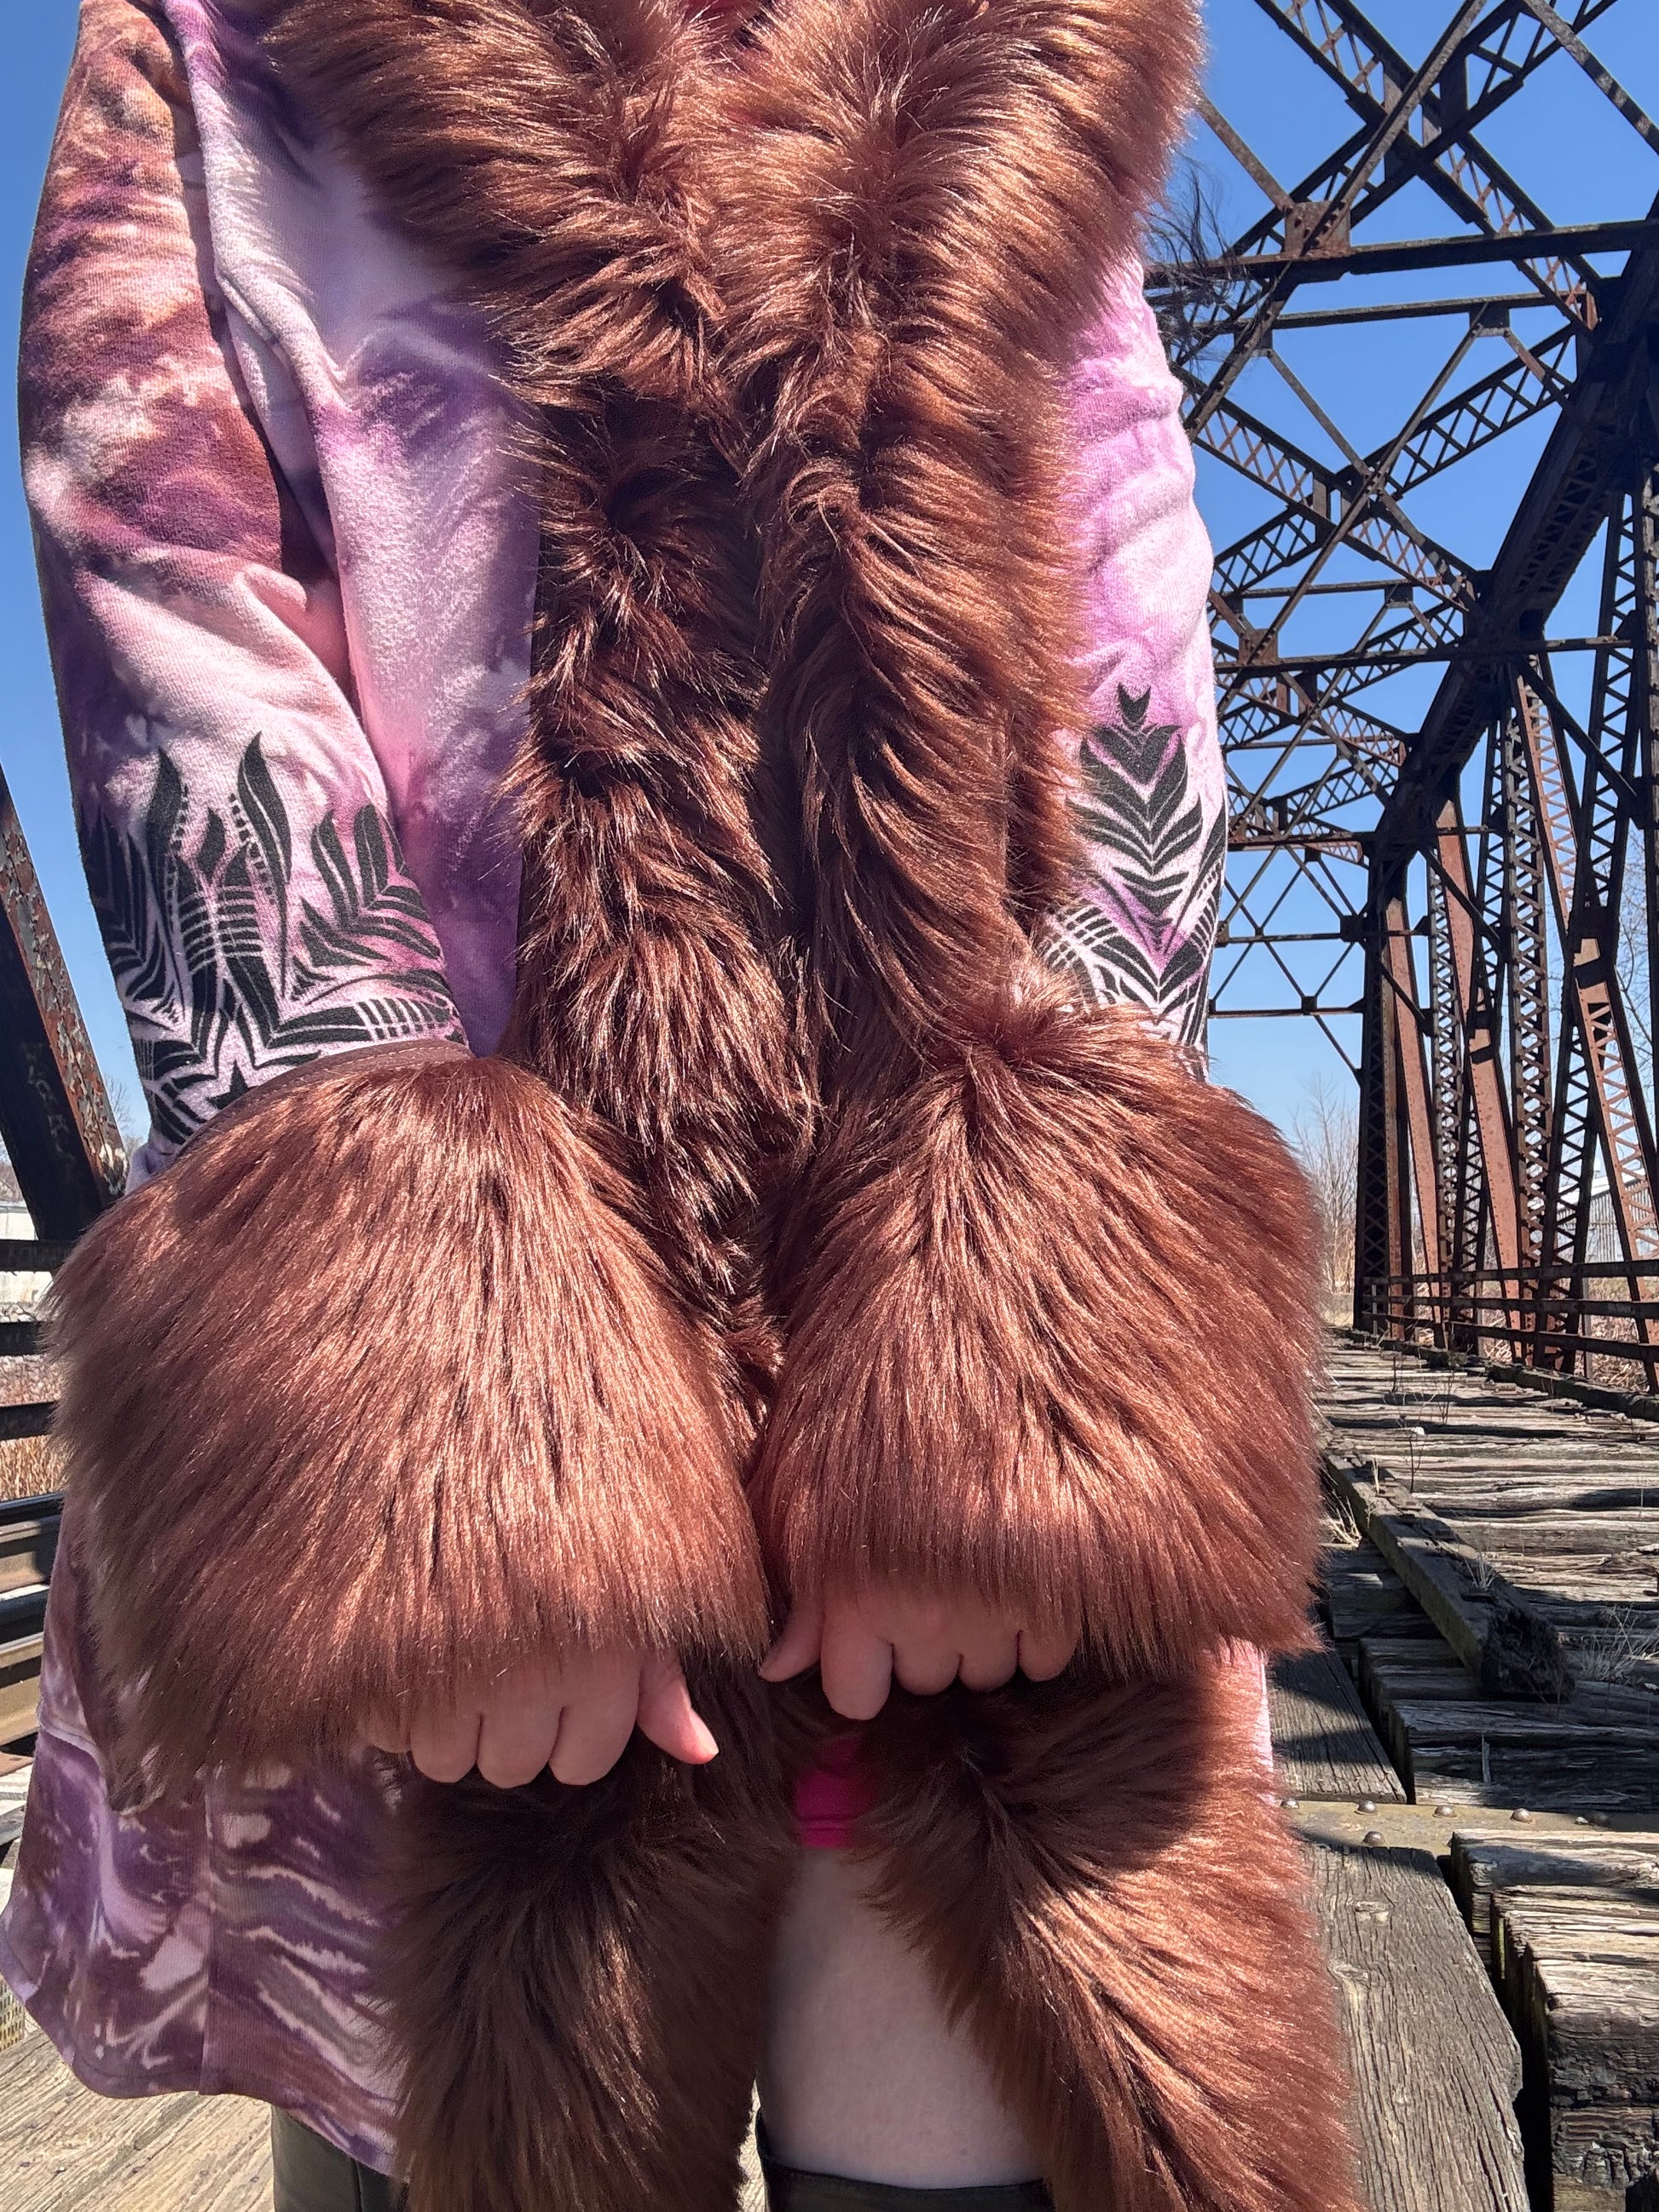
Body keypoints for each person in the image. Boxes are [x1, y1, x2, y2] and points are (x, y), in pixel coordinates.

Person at [1, 2, 1360, 2209]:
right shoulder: (223, 53)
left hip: (940, 1466)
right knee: (452, 2088)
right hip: (453, 1464)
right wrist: (447, 1457)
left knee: (986, 2068)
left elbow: (1132, 641)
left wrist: (1021, 1401)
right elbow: (177, 625)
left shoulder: (1020, 41)